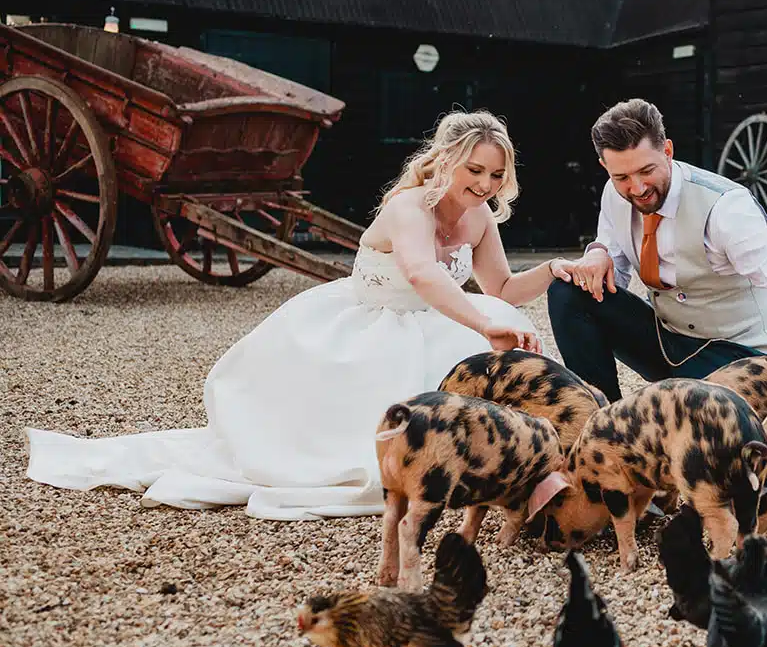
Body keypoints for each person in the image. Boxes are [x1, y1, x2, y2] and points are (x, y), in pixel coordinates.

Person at [25, 110, 567, 521]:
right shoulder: (410, 206)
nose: (486, 185)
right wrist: (483, 322)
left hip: (436, 319)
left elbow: (502, 287)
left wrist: (557, 269)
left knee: (500, 346)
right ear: (446, 161)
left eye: (497, 175)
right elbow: (424, 274)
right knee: (380, 420)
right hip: (375, 321)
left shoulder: (481, 219)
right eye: (475, 170)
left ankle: (519, 465)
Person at [548, 98, 767, 403]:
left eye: (646, 170)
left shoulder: (725, 209)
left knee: (672, 419)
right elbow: (612, 271)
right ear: (605, 166)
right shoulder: (615, 195)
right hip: (666, 339)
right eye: (622, 177)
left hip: (734, 354)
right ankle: (602, 418)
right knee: (567, 292)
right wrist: (597, 253)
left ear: (668, 151)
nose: (638, 188)